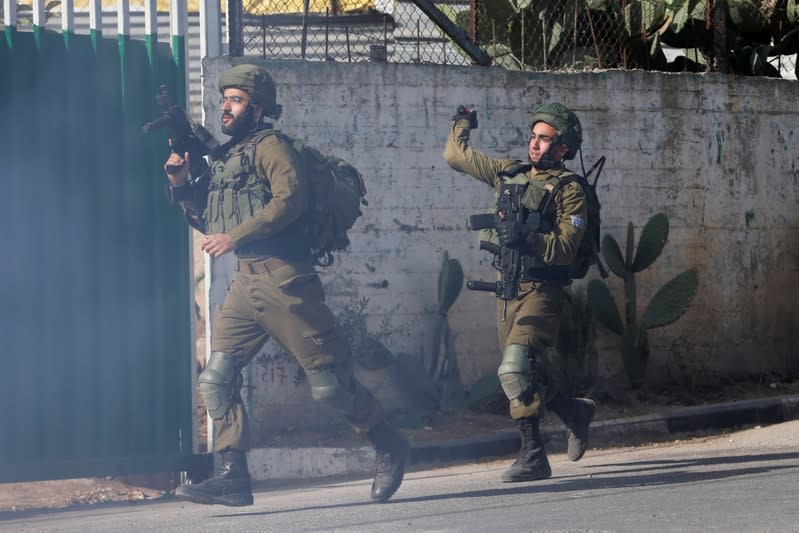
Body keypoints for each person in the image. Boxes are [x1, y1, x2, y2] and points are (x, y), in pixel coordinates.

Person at [163, 64, 409, 506]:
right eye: (225, 100)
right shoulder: (229, 159)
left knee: (330, 386)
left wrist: (235, 236)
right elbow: (209, 221)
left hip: (286, 281)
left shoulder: (272, 146)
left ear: (257, 108)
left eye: (236, 100)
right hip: (245, 284)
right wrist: (179, 183)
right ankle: (232, 477)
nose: (226, 107)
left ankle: (389, 442)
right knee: (216, 378)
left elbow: (289, 202)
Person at [443, 102, 596, 482]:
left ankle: (533, 456)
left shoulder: (570, 190)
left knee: (513, 369)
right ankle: (574, 411)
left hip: (542, 289)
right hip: (507, 288)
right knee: (528, 374)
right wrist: (463, 121)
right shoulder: (507, 173)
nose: (534, 144)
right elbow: (455, 156)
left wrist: (528, 236)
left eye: (544, 139)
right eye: (533, 137)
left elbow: (565, 249)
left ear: (563, 148)